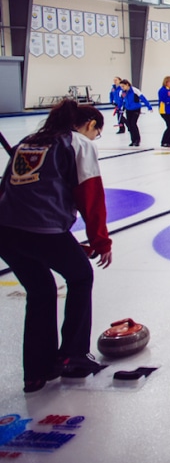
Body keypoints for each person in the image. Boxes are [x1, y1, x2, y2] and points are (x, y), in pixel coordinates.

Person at [0, 100, 112, 393]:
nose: (94, 139)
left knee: (41, 291)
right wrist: (100, 241)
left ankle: (36, 372)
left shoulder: (31, 140)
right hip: (42, 231)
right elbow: (91, 196)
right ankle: (73, 355)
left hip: (6, 231)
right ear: (89, 125)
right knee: (80, 277)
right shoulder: (77, 144)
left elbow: (11, 189)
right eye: (96, 133)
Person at [118, 79, 152, 147]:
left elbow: (143, 98)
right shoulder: (122, 92)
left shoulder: (134, 90)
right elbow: (121, 101)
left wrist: (149, 106)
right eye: (121, 86)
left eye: (123, 86)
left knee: (133, 124)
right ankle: (133, 140)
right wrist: (119, 108)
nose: (122, 88)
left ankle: (137, 140)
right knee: (130, 125)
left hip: (136, 109)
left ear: (127, 85)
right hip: (128, 109)